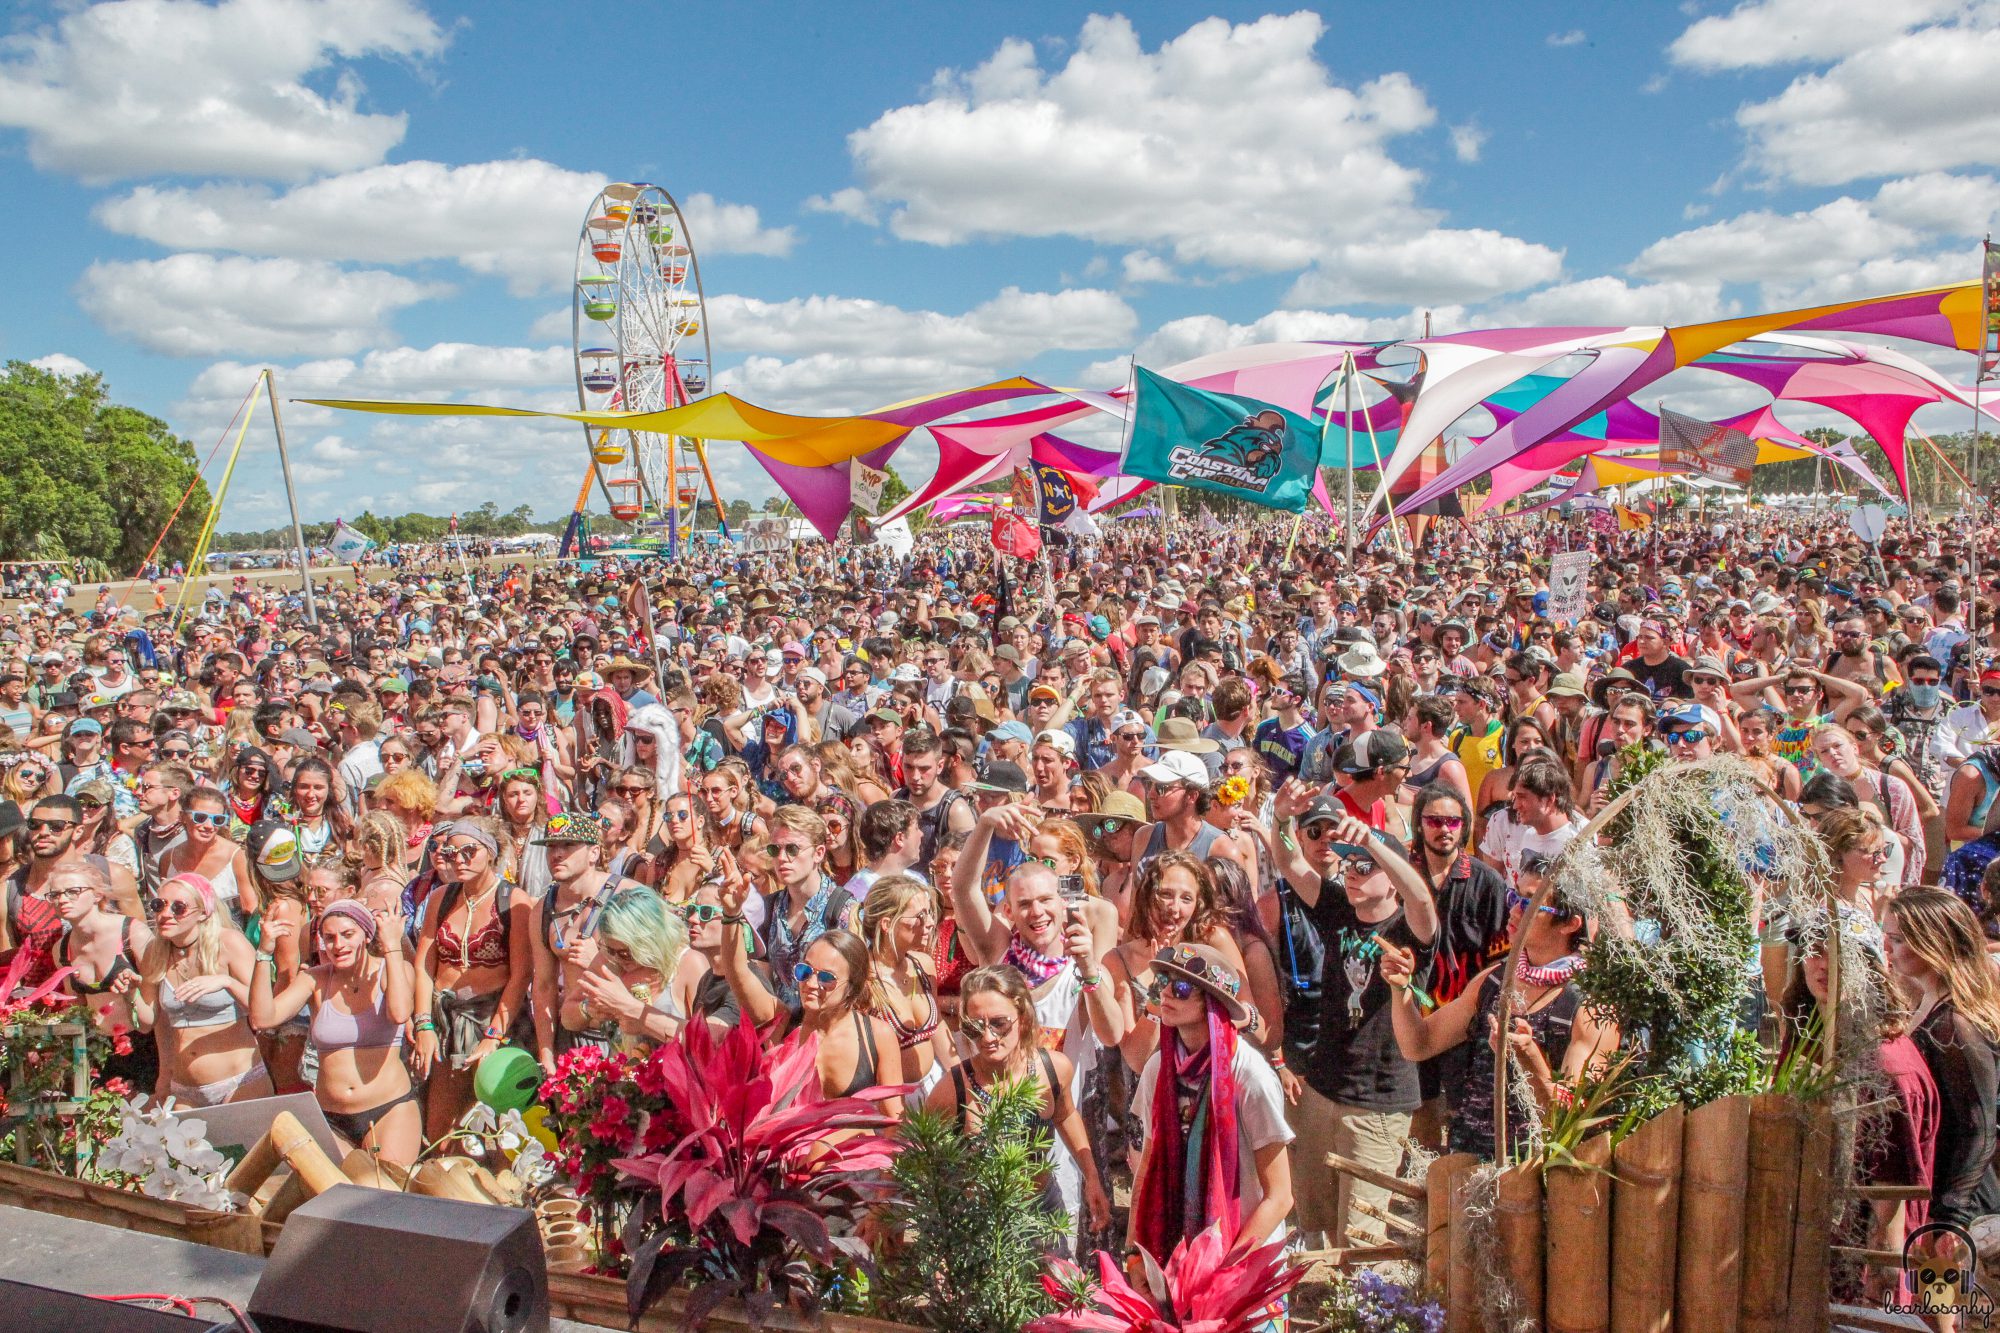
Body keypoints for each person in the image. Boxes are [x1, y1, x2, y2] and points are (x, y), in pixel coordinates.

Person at [1262, 786, 1438, 1248]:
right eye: (1349, 865)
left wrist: (1375, 843)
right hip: (1322, 1089)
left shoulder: (1408, 929)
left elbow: (1420, 899)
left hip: (1377, 1102)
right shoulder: (1340, 909)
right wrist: (1280, 820)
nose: (1353, 873)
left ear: (1391, 876)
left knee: (1362, 1236)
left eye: (1365, 867)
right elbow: (1290, 863)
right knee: (1313, 1214)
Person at [1381, 866, 1615, 1158]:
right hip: (1468, 1164)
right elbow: (1418, 1044)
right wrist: (1401, 989)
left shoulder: (1591, 1006)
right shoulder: (1493, 980)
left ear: (1570, 924)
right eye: (1514, 897)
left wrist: (1529, 1057)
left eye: (1529, 903)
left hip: (1536, 1181)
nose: (1515, 911)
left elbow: (1571, 1117)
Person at [924, 964, 1111, 1247]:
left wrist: (1092, 1177)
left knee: (1055, 1289)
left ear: (1022, 1017)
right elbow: (927, 1167)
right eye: (974, 1027)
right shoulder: (951, 1092)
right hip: (981, 1225)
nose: (987, 1038)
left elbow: (1065, 1115)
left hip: (1043, 1209)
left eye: (999, 1023)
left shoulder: (1053, 1069)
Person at [1129, 943, 1294, 1260]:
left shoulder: (1250, 1077)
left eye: (1180, 988)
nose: (1165, 994)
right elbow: (1147, 1167)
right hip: (1180, 1253)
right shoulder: (1158, 1070)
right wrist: (1133, 1253)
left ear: (1213, 1003)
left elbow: (1280, 1196)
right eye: (1161, 982)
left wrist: (1225, 1270)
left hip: (1245, 1257)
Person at [251, 899, 420, 1164]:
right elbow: (263, 1017)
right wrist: (264, 952)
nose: (338, 945)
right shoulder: (315, 979)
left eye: (347, 935)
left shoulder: (392, 968)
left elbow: (399, 1013)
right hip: (331, 1116)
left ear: (366, 934)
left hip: (389, 1109)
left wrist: (392, 947)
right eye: (329, 938)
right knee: (334, 1193)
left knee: (386, 1193)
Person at [1882, 891, 2000, 1236]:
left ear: (1933, 943)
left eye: (1897, 940)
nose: (1887, 949)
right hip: (1928, 1187)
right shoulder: (1922, 1002)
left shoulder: (1956, 1025)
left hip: (1959, 1202)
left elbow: (1978, 1128)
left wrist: (1949, 1219)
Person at [409, 820, 531, 1138]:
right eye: (450, 853)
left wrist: (493, 1036)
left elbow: (520, 976)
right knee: (441, 1127)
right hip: (445, 1017)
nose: (458, 859)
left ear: (490, 852)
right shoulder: (441, 898)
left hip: (494, 1016)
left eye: (468, 851)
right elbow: (424, 967)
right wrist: (423, 1024)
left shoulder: (514, 901)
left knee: (501, 1125)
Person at [137, 872, 273, 1106]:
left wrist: (226, 982)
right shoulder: (156, 952)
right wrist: (130, 993)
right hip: (184, 1088)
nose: (165, 914)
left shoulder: (229, 943)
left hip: (239, 1082)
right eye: (158, 905)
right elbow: (146, 1022)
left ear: (203, 912)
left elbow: (266, 1013)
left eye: (178, 907)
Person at [563, 886, 692, 1054]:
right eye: (610, 949)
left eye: (625, 953)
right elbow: (567, 1016)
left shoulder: (686, 963)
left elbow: (707, 1040)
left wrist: (627, 1007)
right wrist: (589, 1009)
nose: (617, 958)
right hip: (622, 1075)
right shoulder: (607, 961)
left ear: (649, 939)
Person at [861, 873, 951, 1104]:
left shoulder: (923, 964)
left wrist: (962, 1080)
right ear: (887, 923)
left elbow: (938, 1030)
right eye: (920, 916)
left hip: (936, 1085)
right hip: (891, 1099)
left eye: (930, 913)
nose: (930, 923)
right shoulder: (864, 980)